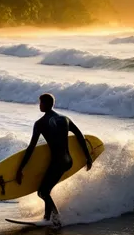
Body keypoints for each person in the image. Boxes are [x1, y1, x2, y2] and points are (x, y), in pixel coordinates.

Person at [16, 93, 92, 224]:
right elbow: (80, 136)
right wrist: (88, 157)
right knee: (46, 190)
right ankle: (47, 218)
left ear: (45, 104)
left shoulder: (40, 123)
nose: (39, 105)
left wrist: (20, 168)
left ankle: (56, 219)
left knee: (42, 192)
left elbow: (31, 148)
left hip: (57, 162)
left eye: (40, 103)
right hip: (67, 161)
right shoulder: (65, 119)